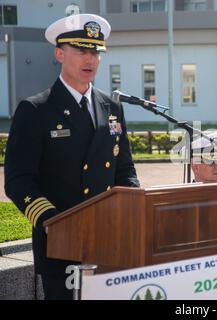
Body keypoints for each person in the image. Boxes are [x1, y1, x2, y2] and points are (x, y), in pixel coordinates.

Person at [4, 13, 140, 300]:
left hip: (110, 241)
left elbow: (124, 168)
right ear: (59, 54)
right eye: (81, 51)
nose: (90, 59)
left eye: (95, 52)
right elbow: (19, 181)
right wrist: (54, 222)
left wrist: (133, 207)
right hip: (61, 247)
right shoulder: (36, 110)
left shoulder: (111, 107)